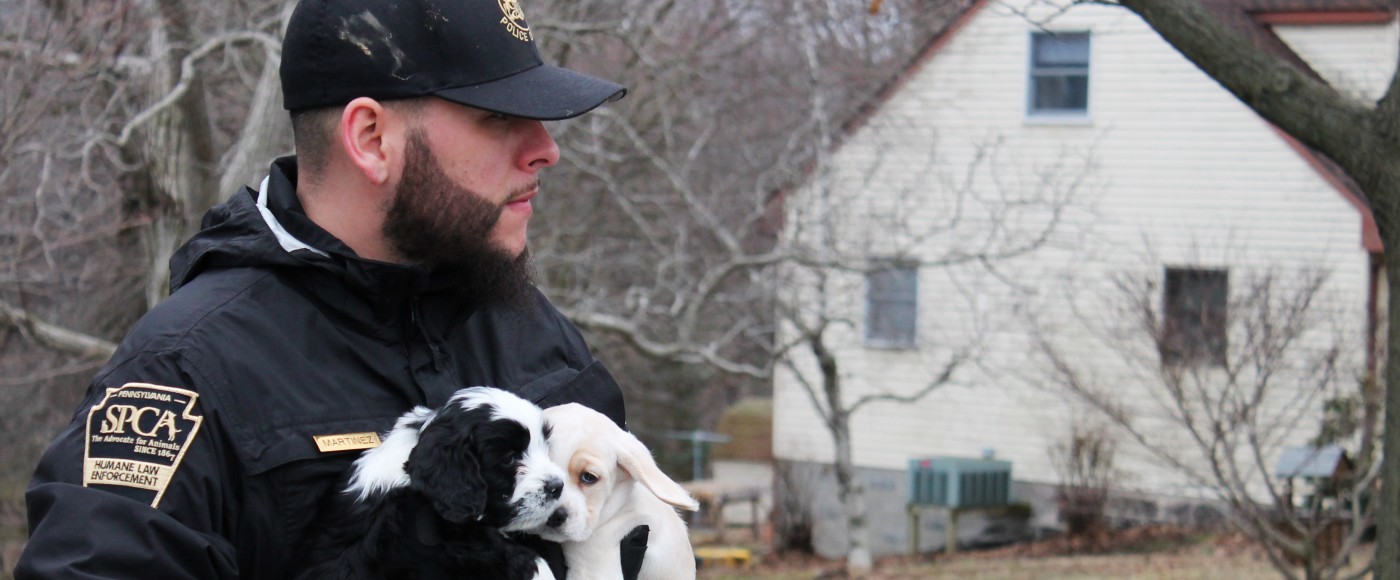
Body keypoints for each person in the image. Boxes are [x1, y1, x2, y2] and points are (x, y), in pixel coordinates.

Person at [16, 0, 638, 577]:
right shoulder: (186, 372)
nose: (545, 149)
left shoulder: (535, 335)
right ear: (370, 138)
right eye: (498, 117)